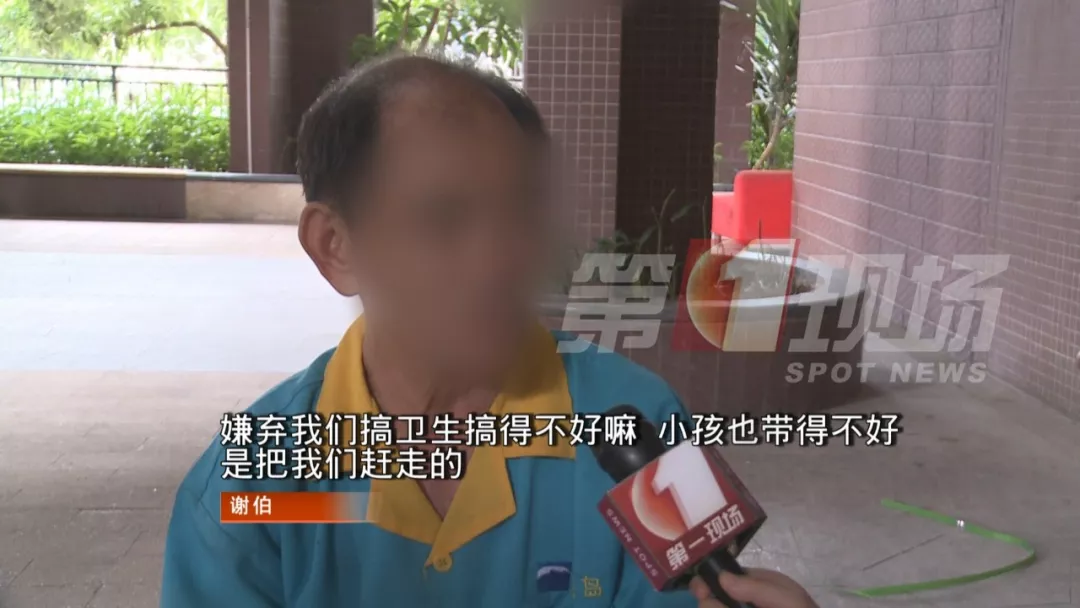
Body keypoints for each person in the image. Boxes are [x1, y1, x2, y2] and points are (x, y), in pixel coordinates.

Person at [160, 53, 818, 608]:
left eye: (522, 210)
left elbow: (708, 589)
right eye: (444, 219)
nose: (500, 260)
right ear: (335, 245)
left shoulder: (642, 425)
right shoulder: (251, 487)